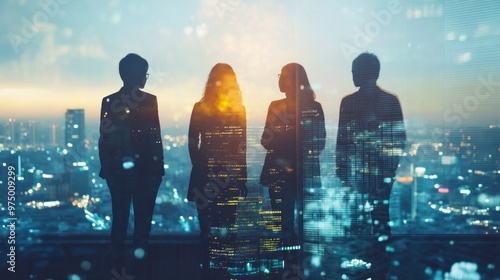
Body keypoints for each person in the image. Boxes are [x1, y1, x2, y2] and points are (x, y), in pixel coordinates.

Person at [336, 52, 406, 278]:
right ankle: (380, 266)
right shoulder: (390, 100)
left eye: (354, 71)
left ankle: (361, 266)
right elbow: (399, 139)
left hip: (358, 172)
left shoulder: (348, 102)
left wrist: (343, 170)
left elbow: (342, 141)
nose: (352, 75)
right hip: (381, 172)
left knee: (357, 218)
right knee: (380, 217)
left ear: (362, 72)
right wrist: (389, 167)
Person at [98, 53, 164, 275]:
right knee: (142, 227)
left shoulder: (109, 101)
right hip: (146, 171)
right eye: (144, 73)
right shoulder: (150, 101)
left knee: (119, 223)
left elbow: (104, 138)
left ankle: (117, 270)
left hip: (118, 173)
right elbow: (155, 136)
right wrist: (158, 169)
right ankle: (138, 271)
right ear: (135, 75)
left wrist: (107, 169)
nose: (146, 78)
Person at [187, 63, 247, 280]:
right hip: (229, 176)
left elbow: (193, 143)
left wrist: (202, 166)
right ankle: (223, 272)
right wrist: (241, 178)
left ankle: (208, 273)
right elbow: (241, 146)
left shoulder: (200, 107)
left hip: (205, 175)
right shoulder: (238, 110)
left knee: (207, 232)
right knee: (227, 231)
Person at [260, 63, 326, 249]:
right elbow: (318, 143)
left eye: (282, 76)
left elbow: (266, 140)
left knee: (285, 228)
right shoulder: (313, 107)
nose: (279, 79)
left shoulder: (276, 107)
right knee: (303, 228)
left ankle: (287, 268)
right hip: (304, 174)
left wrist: (281, 141)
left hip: (281, 174)